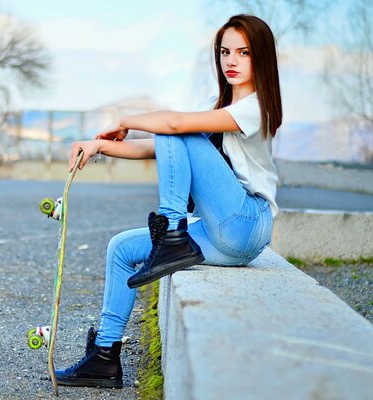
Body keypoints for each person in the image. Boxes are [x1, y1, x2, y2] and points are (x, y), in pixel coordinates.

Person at [55, 14, 282, 389]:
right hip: (221, 232)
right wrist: (100, 146)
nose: (232, 61)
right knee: (121, 248)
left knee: (172, 126)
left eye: (244, 52)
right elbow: (160, 146)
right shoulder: (216, 107)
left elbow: (172, 129)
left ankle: (172, 232)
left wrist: (128, 118)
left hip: (247, 220)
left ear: (262, 57)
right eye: (225, 51)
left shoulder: (256, 107)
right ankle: (105, 358)